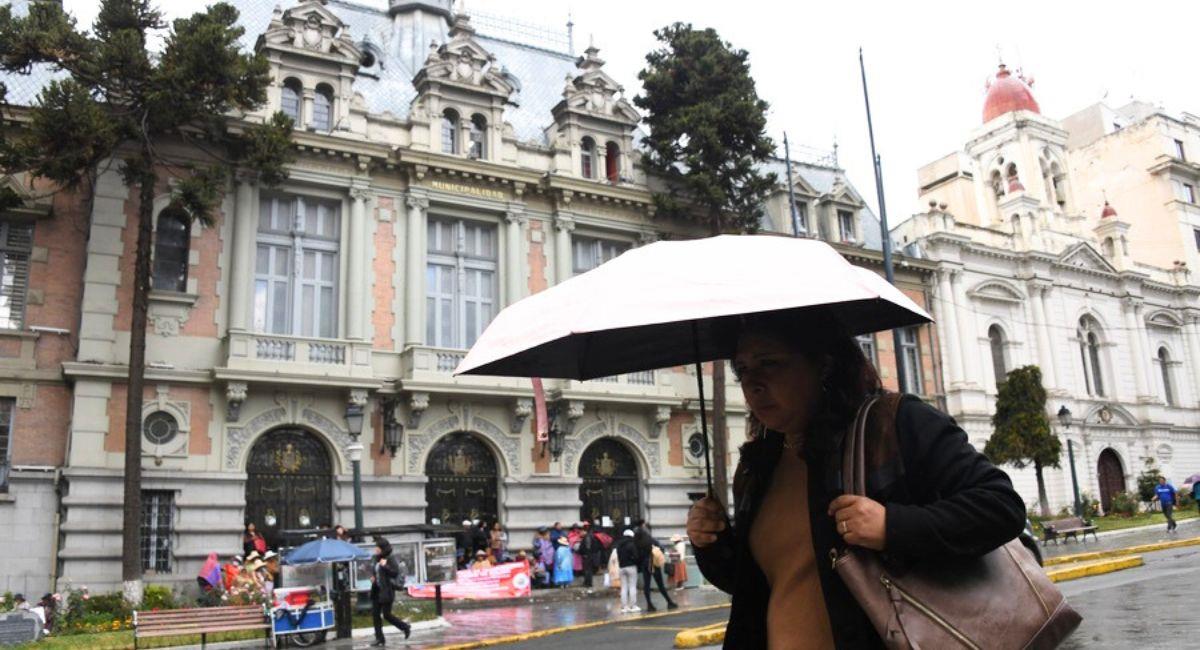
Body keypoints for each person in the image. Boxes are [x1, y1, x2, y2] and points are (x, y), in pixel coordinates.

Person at [687, 314, 1025, 648]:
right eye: (742, 369)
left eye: (769, 363)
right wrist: (711, 543)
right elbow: (755, 587)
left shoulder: (893, 425)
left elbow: (1000, 507)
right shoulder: (757, 466)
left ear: (822, 364)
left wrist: (891, 526)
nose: (753, 383)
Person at [369, 538, 411, 646]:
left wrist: (385, 566)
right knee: (375, 615)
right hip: (376, 590)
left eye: (377, 547)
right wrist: (373, 577)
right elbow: (375, 571)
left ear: (382, 548)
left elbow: (394, 573)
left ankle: (405, 627)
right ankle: (379, 638)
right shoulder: (376, 558)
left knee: (387, 615)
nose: (376, 549)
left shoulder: (390, 558)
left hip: (386, 590)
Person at [633, 520, 676, 611]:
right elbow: (661, 548)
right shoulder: (648, 538)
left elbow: (636, 554)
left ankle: (649, 604)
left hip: (644, 563)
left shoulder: (636, 540)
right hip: (652, 562)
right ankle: (669, 602)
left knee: (647, 584)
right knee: (660, 584)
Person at [614, 530, 641, 613]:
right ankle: (633, 606)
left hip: (621, 567)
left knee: (624, 587)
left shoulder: (619, 545)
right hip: (631, 567)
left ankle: (624, 607)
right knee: (632, 586)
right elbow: (636, 556)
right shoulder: (632, 545)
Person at [577, 523, 599, 589]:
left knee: (587, 570)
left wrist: (586, 554)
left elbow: (588, 547)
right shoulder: (589, 536)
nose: (580, 533)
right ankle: (587, 582)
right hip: (590, 555)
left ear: (584, 531)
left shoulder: (587, 537)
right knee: (588, 569)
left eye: (581, 532)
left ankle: (588, 583)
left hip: (588, 556)